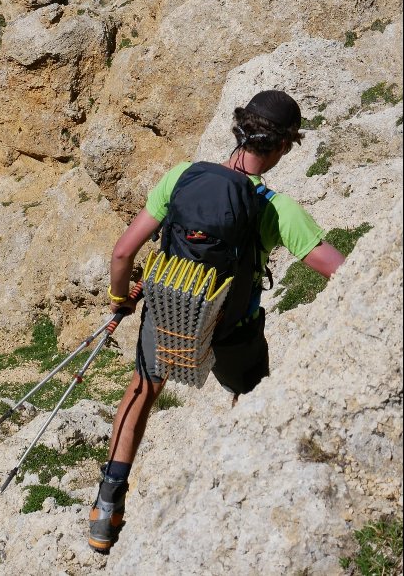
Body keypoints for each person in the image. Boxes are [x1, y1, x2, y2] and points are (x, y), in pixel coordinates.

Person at [88, 89, 346, 554]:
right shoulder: (277, 209)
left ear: (239, 130)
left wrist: (119, 299)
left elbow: (123, 251)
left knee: (141, 391)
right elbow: (340, 272)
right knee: (251, 398)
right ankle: (241, 493)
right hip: (231, 329)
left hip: (170, 311)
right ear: (285, 146)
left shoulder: (182, 179)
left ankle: (106, 510)